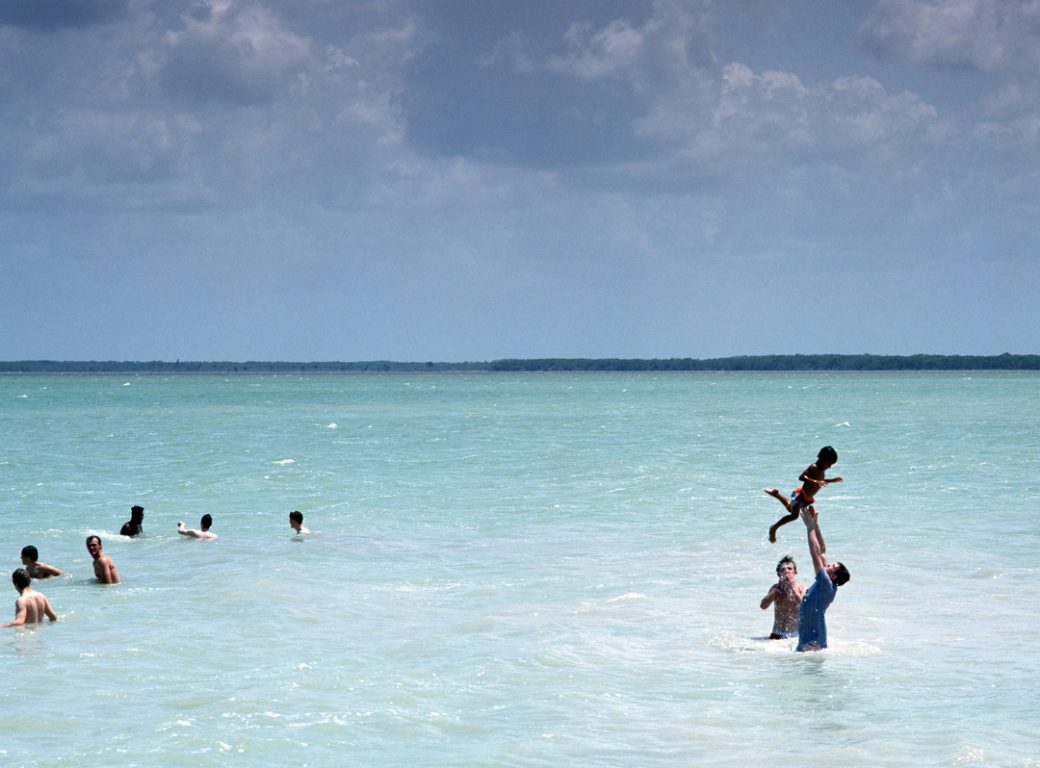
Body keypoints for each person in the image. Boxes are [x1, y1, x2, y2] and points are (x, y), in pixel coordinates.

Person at [765, 445, 843, 546]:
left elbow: (820, 481)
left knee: (790, 509)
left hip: (806, 498)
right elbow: (801, 477)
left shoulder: (822, 470)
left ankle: (777, 495)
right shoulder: (814, 467)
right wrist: (814, 481)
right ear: (824, 459)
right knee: (794, 515)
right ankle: (773, 528)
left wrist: (831, 480)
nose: (830, 466)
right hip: (801, 494)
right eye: (830, 463)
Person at [796, 507, 850, 652]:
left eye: (832, 566)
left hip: (813, 641)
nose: (828, 564)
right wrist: (816, 525)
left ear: (834, 576)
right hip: (811, 639)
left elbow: (815, 555)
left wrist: (809, 528)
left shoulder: (826, 583)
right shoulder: (829, 582)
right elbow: (823, 550)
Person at [760, 554, 806, 639]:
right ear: (779, 574)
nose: (786, 571)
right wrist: (776, 591)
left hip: (795, 635)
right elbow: (763, 606)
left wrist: (794, 591)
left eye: (789, 568)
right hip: (776, 634)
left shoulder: (801, 588)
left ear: (795, 572)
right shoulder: (775, 588)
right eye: (783, 569)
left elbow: (807, 607)